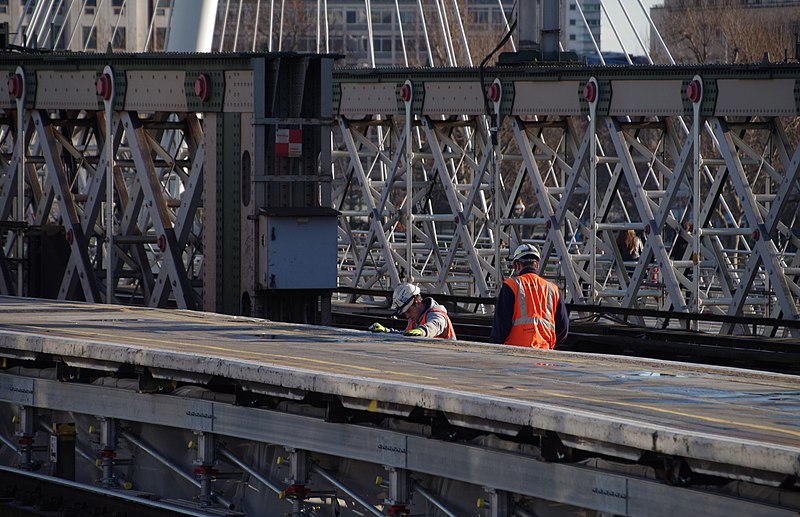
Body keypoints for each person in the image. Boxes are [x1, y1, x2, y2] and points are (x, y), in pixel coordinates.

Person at [490, 244, 569, 349]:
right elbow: (563, 329)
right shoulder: (553, 289)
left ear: (517, 266)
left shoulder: (511, 286)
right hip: (544, 355)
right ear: (536, 265)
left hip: (514, 353)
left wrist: (494, 348)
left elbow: (500, 326)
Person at [368, 282, 456, 340]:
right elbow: (407, 335)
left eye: (408, 311)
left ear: (417, 302)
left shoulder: (437, 314)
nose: (407, 316)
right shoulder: (415, 319)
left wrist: (423, 331)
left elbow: (435, 326)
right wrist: (387, 332)